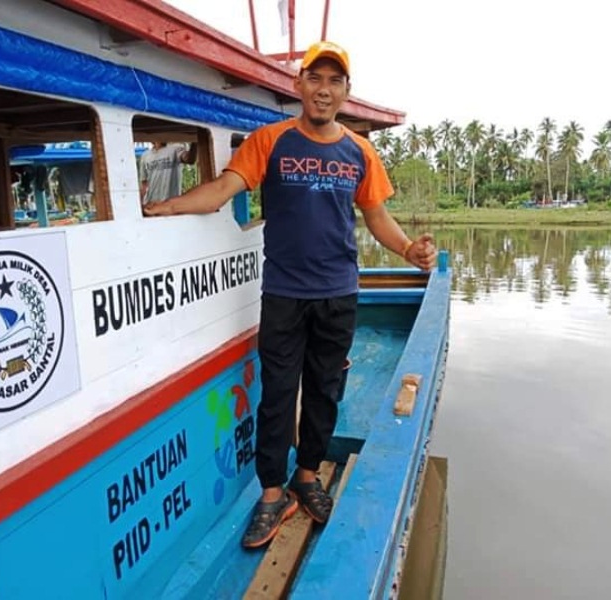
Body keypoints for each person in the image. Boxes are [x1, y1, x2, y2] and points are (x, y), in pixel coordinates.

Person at [144, 40, 437, 548]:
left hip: (339, 293)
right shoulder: (269, 141)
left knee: (325, 389)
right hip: (283, 293)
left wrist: (409, 249)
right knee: (278, 395)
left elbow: (377, 217)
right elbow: (221, 189)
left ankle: (307, 477)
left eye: (334, 81)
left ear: (347, 90)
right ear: (299, 84)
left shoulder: (361, 151)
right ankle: (272, 493)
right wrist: (166, 208)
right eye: (315, 79)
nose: (324, 91)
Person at [139, 140, 197, 204]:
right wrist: (140, 204)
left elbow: (189, 159)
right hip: (150, 204)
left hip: (171, 205)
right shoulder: (145, 155)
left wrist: (194, 140)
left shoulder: (176, 148)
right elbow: (144, 183)